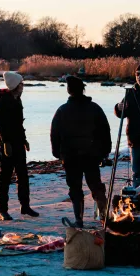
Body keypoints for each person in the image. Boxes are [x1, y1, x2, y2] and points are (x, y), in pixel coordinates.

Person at [51, 75, 112, 228]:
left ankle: (79, 220)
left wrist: (57, 153)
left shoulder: (62, 110)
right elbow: (105, 131)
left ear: (68, 90)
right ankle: (104, 217)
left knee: (75, 188)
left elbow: (54, 134)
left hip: (71, 156)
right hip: (91, 155)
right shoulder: (95, 108)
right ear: (82, 90)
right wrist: (105, 152)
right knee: (96, 185)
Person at [0, 71, 39, 220]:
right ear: (15, 85)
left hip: (18, 142)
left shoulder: (18, 99)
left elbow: (19, 123)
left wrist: (24, 139)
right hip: (7, 143)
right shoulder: (4, 101)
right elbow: (0, 124)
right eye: (21, 84)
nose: (23, 86)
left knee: (23, 176)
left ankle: (25, 206)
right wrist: (5, 142)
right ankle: (2, 210)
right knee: (5, 177)